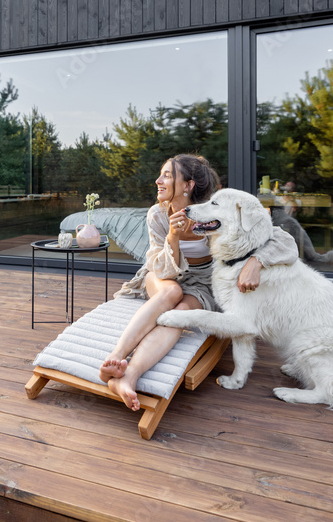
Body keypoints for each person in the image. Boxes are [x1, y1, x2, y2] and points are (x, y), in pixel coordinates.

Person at [99, 154, 299, 411]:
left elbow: (284, 241)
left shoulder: (215, 209)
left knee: (182, 313)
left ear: (188, 185)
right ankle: (115, 357)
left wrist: (255, 262)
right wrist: (172, 237)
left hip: (204, 282)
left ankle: (129, 376)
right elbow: (159, 268)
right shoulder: (157, 215)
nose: (158, 180)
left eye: (167, 175)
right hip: (165, 278)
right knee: (171, 293)